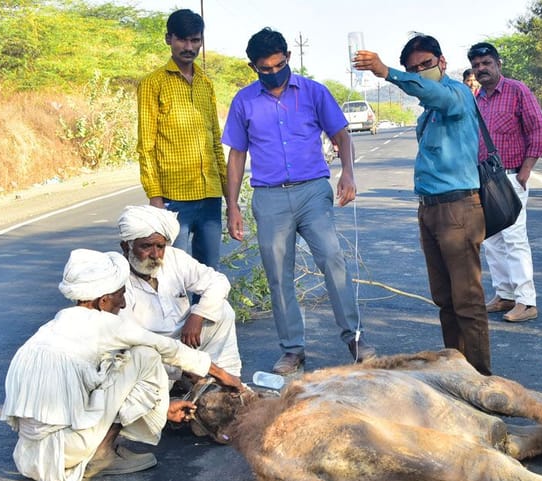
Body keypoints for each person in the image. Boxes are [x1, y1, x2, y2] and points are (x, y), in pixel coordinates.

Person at [0, 249, 242, 481]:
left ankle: (97, 447)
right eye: (120, 295)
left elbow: (93, 387)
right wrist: (225, 377)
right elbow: (168, 349)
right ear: (103, 301)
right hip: (66, 449)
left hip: (30, 453)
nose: (123, 303)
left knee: (118, 363)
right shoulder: (104, 324)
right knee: (144, 356)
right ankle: (101, 455)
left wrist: (163, 407)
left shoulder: (50, 330)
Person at [222, 28, 373, 375]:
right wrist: (233, 206)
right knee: (278, 275)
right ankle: (293, 351)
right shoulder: (244, 102)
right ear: (253, 67)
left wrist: (347, 173)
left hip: (312, 192)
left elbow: (341, 135)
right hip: (270, 198)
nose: (274, 73)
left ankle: (355, 339)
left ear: (288, 57)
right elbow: (236, 156)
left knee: (333, 259)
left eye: (278, 64)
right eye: (265, 68)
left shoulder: (313, 93)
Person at [353, 35, 491, 376]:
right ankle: (456, 375)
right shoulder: (428, 113)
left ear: (442, 62)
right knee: (445, 300)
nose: (420, 72)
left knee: (467, 302)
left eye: (426, 64)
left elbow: (433, 92)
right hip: (431, 208)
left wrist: (388, 73)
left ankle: (482, 381)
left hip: (457, 208)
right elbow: (428, 97)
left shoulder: (456, 94)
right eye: (412, 69)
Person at [137, 9, 227, 269]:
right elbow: (146, 146)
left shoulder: (205, 84)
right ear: (169, 39)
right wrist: (155, 197)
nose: (189, 47)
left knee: (209, 272)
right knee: (175, 273)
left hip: (210, 196)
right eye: (183, 40)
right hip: (174, 199)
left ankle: (205, 312)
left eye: (195, 40)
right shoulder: (152, 84)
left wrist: (229, 197)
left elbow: (215, 142)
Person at [468, 42, 542, 323]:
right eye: (477, 65)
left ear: (498, 64)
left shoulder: (516, 90)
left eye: (486, 63)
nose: (482, 69)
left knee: (514, 239)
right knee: (491, 240)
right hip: (484, 179)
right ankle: (504, 295)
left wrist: (526, 170)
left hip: (513, 176)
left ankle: (526, 301)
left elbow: (539, 129)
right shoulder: (477, 100)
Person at [116, 205, 242, 383]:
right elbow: (127, 338)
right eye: (146, 246)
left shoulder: (174, 257)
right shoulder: (116, 276)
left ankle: (224, 380)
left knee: (222, 310)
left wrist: (198, 316)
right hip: (151, 352)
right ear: (126, 246)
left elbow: (218, 281)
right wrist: (181, 365)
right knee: (139, 356)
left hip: (185, 339)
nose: (155, 254)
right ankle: (184, 379)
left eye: (160, 246)